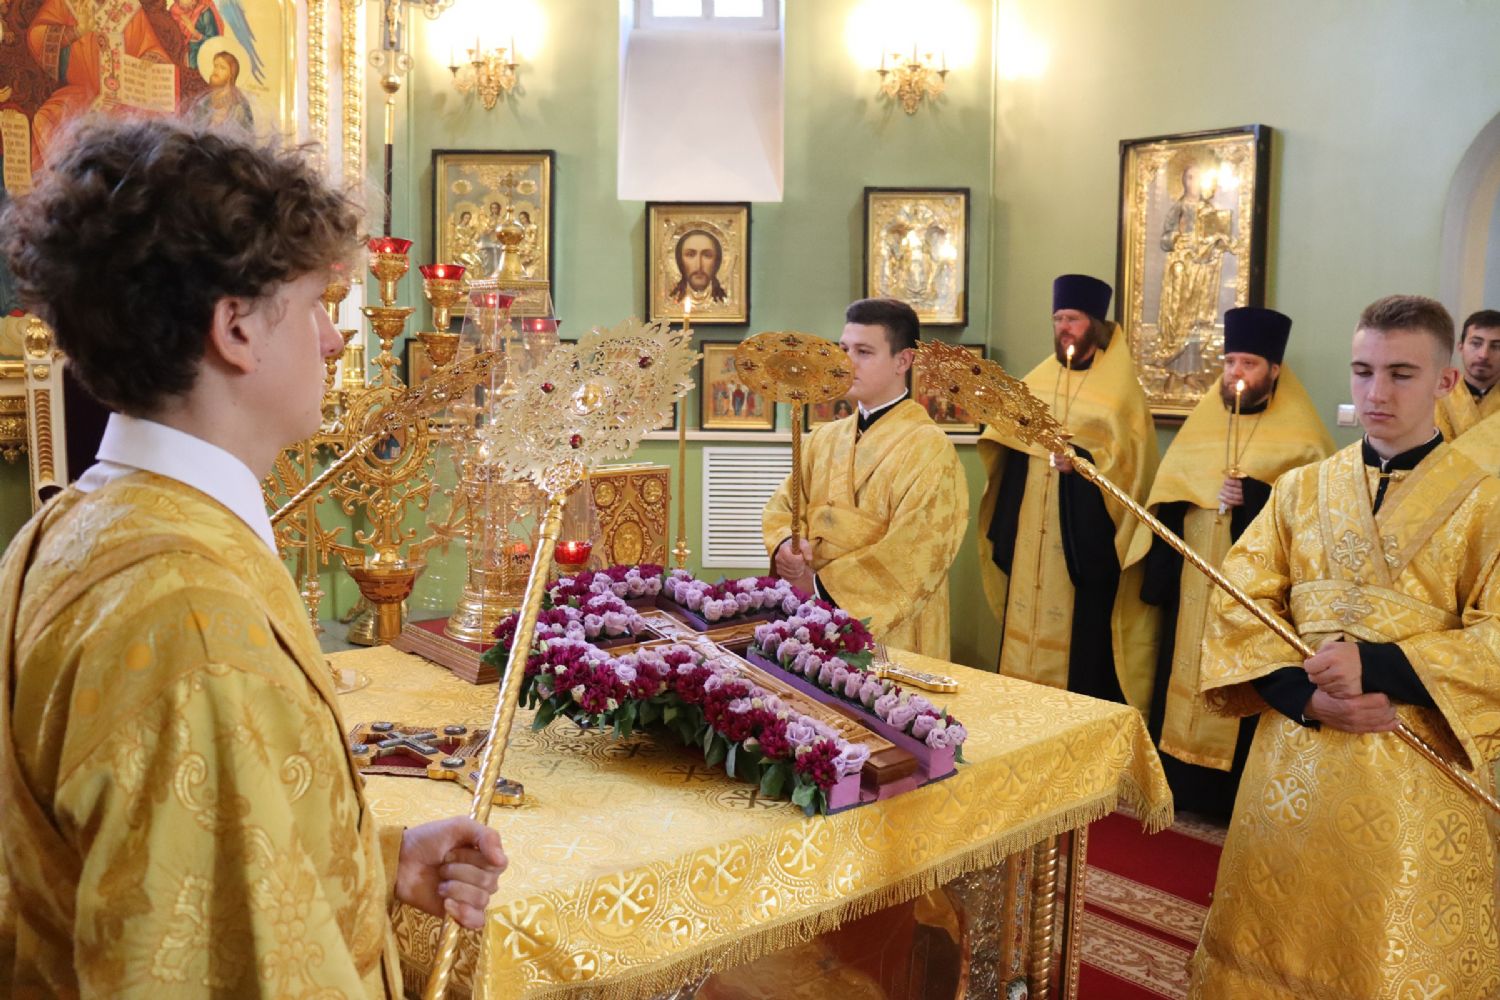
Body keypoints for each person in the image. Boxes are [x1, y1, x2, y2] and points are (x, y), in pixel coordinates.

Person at [0, 118, 507, 997]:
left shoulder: (70, 525)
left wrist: (376, 863)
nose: (332, 339)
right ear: (235, 328)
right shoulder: (192, 626)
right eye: (314, 304)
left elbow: (164, 875)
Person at [1188, 294, 1500, 998]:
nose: (1376, 392)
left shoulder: (1488, 504)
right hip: (1290, 771)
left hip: (1412, 780)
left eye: (1401, 373)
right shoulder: (1301, 490)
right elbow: (1240, 603)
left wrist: (1383, 666)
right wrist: (1302, 698)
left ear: (1446, 381)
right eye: (1363, 371)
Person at [1123, 307, 1332, 818]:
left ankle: (1225, 799)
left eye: (1249, 364)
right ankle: (1177, 783)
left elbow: (1312, 521)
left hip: (1253, 594)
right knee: (1182, 672)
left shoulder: (1303, 436)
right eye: (1231, 361)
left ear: (1274, 370)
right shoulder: (1203, 425)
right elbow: (1170, 494)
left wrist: (1254, 495)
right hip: (1194, 582)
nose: (1236, 373)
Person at [978, 274, 1159, 709]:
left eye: (1072, 319)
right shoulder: (1037, 381)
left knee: (1080, 661)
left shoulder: (1119, 392)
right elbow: (1005, 446)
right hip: (1029, 541)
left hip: (1082, 549)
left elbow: (1132, 474)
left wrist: (1083, 464)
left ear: (1095, 323)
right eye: (1058, 318)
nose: (1063, 328)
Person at [764, 298, 967, 658]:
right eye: (843, 349)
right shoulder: (825, 437)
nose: (847, 363)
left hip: (891, 633)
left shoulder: (929, 448)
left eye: (864, 352)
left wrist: (817, 586)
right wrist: (786, 544)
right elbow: (784, 505)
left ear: (903, 361)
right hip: (810, 614)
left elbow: (915, 555)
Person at [1434, 308, 1500, 442]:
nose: (1483, 355)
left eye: (1496, 346)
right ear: (1461, 347)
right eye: (1476, 343)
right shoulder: (1437, 396)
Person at [188, 50, 254, 130]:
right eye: (215, 66)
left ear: (231, 74)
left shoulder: (239, 105)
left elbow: (245, 134)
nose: (216, 70)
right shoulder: (205, 102)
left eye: (222, 67)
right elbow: (196, 129)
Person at [669, 228, 728, 304]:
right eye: (690, 255)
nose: (698, 265)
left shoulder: (723, 303)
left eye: (707, 255)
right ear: (679, 260)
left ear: (717, 261)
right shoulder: (672, 301)